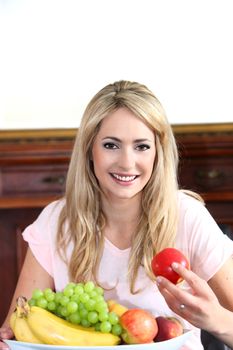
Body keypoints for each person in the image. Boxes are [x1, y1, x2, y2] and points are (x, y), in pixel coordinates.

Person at [0, 80, 233, 349]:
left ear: (158, 152)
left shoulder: (188, 217)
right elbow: (18, 329)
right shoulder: (55, 222)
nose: (126, 162)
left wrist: (215, 319)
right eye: (111, 145)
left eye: (142, 146)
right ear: (90, 150)